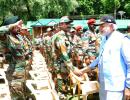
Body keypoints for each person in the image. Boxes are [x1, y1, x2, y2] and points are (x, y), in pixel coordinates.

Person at [81, 15, 130, 100]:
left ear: (111, 26)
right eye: (99, 26)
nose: (99, 28)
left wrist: (128, 86)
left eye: (102, 26)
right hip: (103, 84)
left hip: (116, 85)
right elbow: (99, 59)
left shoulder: (122, 39)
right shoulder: (104, 39)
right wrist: (84, 70)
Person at [50, 16, 82, 96]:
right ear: (61, 24)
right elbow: (64, 54)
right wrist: (72, 68)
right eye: (67, 23)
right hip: (60, 66)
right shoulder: (60, 37)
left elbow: (70, 50)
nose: (69, 25)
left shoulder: (65, 35)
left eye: (70, 23)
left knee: (64, 88)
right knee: (62, 91)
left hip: (64, 66)